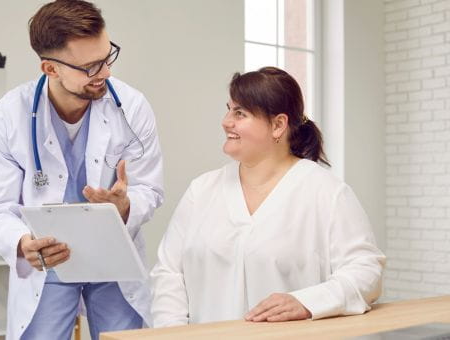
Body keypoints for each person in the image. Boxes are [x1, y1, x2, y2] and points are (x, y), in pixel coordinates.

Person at [0, 1, 164, 339]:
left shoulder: (131, 108)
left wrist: (126, 205)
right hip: (49, 258)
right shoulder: (6, 118)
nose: (105, 73)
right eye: (91, 66)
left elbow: (149, 189)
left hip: (114, 257)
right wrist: (22, 243)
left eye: (108, 57)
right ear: (50, 68)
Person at [150, 67, 385, 327]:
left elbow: (365, 272)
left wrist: (308, 302)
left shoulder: (326, 193)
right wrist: (171, 333)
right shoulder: (201, 190)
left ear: (277, 125)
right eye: (229, 109)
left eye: (240, 113)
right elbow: (169, 272)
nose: (226, 121)